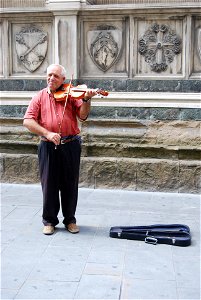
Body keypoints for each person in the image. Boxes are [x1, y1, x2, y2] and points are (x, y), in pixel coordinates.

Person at [23, 64, 97, 235]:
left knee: (70, 184)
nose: (51, 79)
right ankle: (49, 220)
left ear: (63, 79)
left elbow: (83, 115)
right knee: (49, 184)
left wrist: (86, 99)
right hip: (48, 145)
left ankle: (70, 220)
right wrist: (47, 133)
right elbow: (28, 121)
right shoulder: (40, 97)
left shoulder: (71, 95)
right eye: (49, 75)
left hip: (70, 144)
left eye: (56, 76)